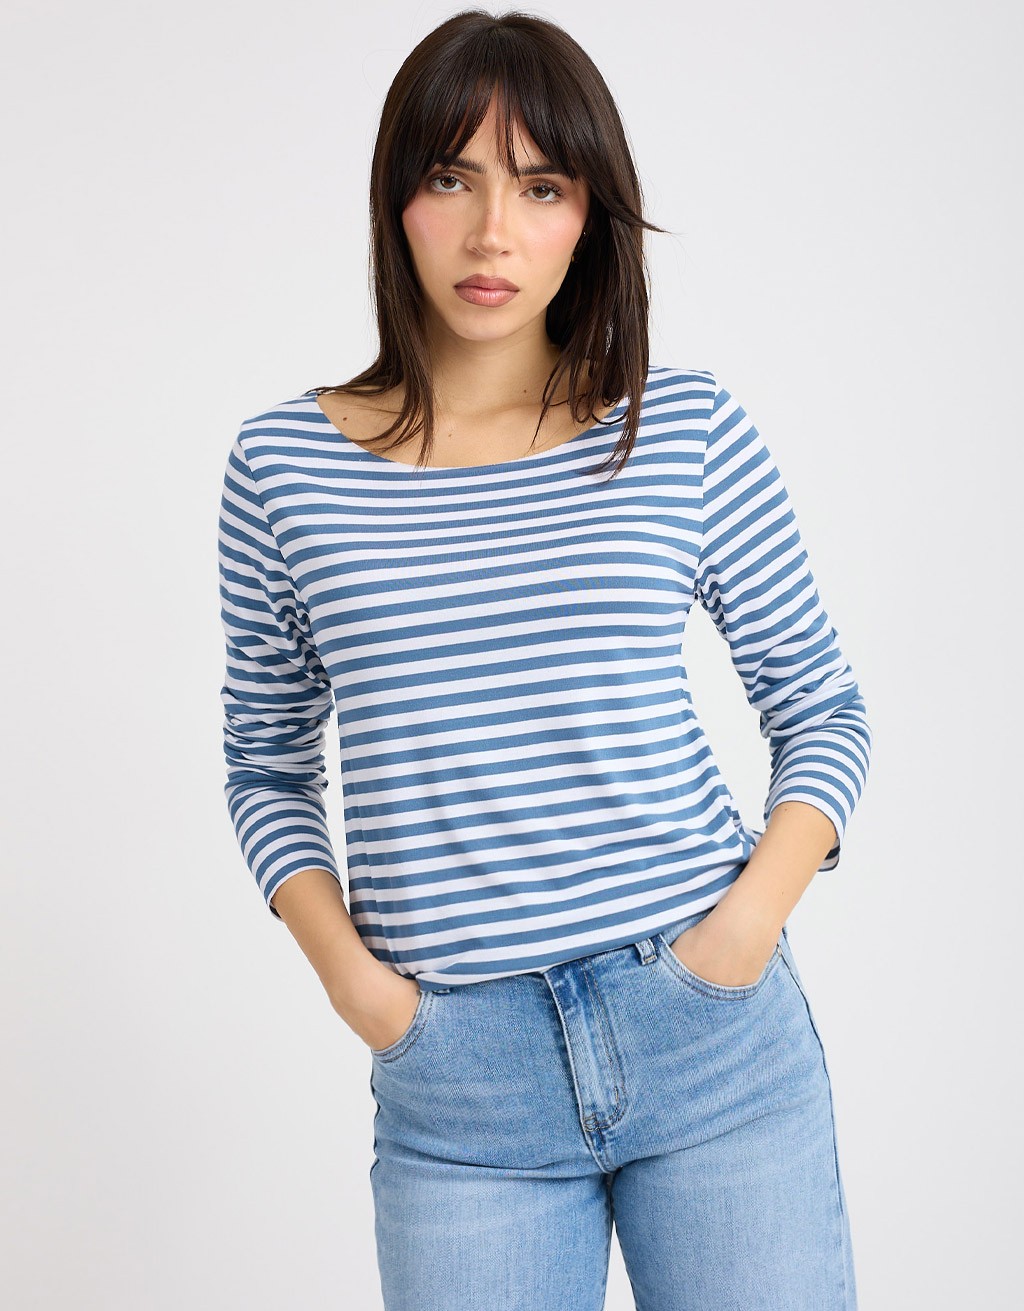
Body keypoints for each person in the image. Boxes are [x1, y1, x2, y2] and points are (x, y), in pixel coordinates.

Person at [216, 9, 871, 1309]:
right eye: (451, 178)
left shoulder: (678, 428)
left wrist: (741, 933)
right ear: (396, 201)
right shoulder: (286, 466)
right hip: (460, 1087)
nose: (492, 233)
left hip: (712, 1039)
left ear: (589, 218)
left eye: (541, 186)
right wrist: (362, 990)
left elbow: (822, 706)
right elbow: (264, 762)